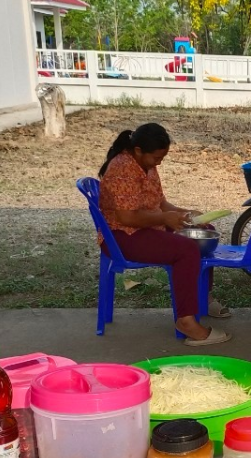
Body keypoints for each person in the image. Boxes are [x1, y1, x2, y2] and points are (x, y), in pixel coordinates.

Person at [98, 123, 230, 345]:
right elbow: (127, 218)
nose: (159, 162)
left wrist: (183, 213)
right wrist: (164, 218)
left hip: (144, 228)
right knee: (186, 249)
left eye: (162, 157)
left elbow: (159, 203)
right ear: (138, 150)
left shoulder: (146, 164)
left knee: (204, 232)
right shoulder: (122, 169)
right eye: (157, 157)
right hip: (120, 236)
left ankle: (202, 298)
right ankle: (186, 321)